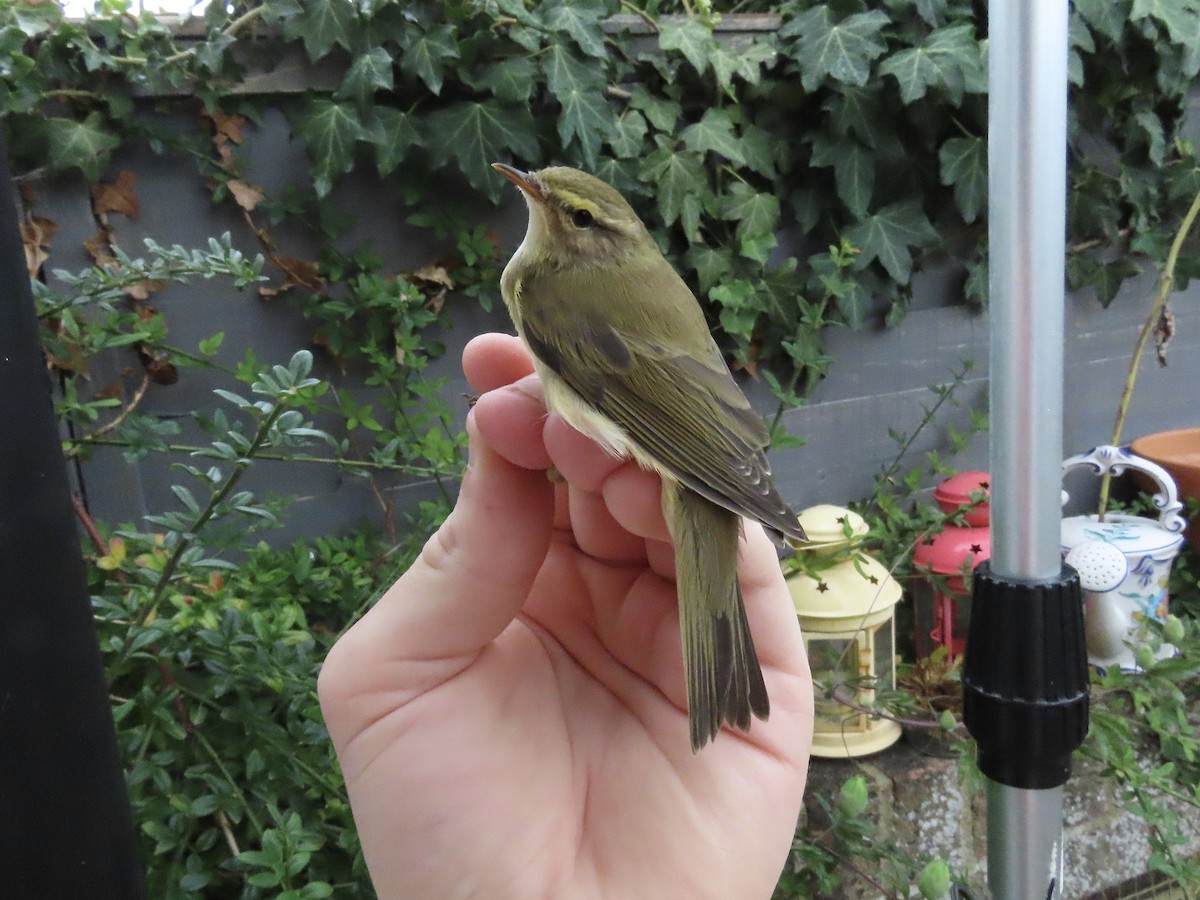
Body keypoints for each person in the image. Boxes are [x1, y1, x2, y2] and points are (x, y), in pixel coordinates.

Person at [318, 332, 814, 898]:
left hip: (670, 450)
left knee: (567, 445)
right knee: (569, 447)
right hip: (685, 447)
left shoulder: (545, 281)